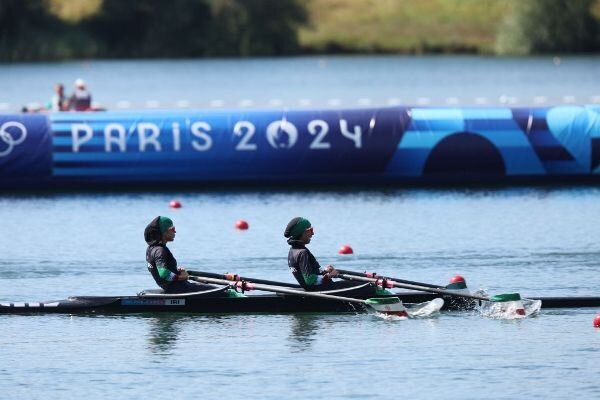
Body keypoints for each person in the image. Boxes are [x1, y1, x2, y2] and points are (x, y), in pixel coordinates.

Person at [284, 217, 378, 295]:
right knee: (368, 286)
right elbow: (309, 280)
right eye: (310, 230)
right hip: (322, 291)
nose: (313, 233)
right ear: (302, 232)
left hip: (316, 290)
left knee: (361, 283)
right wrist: (329, 276)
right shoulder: (302, 253)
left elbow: (307, 274)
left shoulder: (293, 251)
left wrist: (323, 271)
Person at [144, 216, 217, 294]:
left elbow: (157, 269)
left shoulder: (150, 249)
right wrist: (181, 277)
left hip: (173, 288)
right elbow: (163, 273)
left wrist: (175, 271)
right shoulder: (160, 250)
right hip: (179, 289)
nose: (175, 232)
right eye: (172, 229)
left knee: (205, 286)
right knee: (224, 292)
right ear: (163, 232)